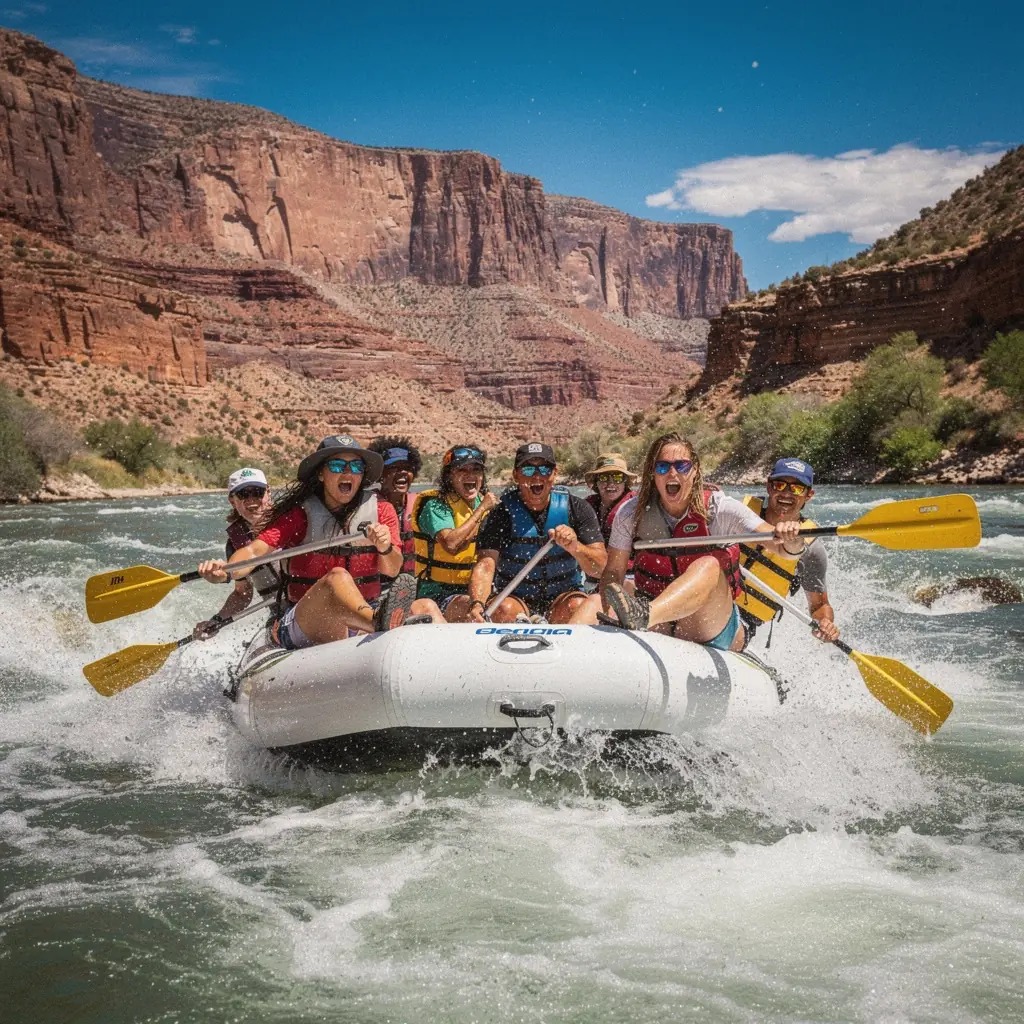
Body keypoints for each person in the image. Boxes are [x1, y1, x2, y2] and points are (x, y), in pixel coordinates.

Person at [197, 435, 438, 648]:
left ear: (363, 474)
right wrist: (225, 572)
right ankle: (380, 623)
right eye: (337, 465)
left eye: (356, 466)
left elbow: (393, 568)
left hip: (366, 607)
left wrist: (385, 547)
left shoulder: (382, 510)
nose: (347, 473)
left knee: (426, 606)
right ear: (321, 474)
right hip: (303, 618)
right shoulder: (299, 514)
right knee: (337, 578)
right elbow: (255, 550)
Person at [569, 433, 804, 651]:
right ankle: (563, 659)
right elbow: (613, 574)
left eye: (681, 466)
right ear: (653, 473)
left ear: (695, 471)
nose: (672, 474)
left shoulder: (719, 509)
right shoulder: (631, 513)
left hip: (709, 623)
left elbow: (783, 549)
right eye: (663, 467)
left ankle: (644, 615)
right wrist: (608, 612)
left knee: (708, 565)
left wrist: (791, 537)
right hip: (658, 619)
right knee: (595, 601)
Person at [467, 442, 607, 624]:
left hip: (562, 598)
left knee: (578, 605)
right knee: (504, 609)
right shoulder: (500, 514)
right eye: (527, 470)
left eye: (544, 469)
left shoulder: (578, 508)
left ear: (555, 473)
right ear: (515, 475)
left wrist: (575, 547)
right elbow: (486, 566)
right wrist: (477, 604)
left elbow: (601, 568)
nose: (536, 476)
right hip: (515, 598)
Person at [736, 458, 840, 643]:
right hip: (709, 598)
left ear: (809, 495)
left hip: (743, 622)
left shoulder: (811, 549)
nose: (786, 493)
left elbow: (819, 606)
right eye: (779, 485)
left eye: (797, 488)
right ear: (769, 486)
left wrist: (825, 623)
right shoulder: (740, 511)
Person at [411, 444, 499, 621]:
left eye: (476, 470)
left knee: (502, 607)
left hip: (476, 590)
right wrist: (482, 509)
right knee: (472, 605)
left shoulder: (488, 505)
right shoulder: (435, 506)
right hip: (437, 591)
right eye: (462, 470)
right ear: (449, 476)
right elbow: (451, 544)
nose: (470, 475)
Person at [193, 468, 276, 640]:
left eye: (257, 492)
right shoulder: (235, 543)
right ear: (232, 501)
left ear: (268, 493)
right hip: (280, 616)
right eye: (244, 494)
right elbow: (243, 593)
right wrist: (217, 620)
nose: (252, 500)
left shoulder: (292, 522)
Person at [368, 436, 421, 576]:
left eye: (407, 468)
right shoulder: (366, 507)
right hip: (379, 582)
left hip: (411, 581)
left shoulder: (421, 505)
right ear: (380, 474)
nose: (403, 472)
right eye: (394, 468)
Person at [583, 452, 637, 585]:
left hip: (628, 578)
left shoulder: (637, 506)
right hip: (594, 578)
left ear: (625, 482)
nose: (611, 483)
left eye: (618, 477)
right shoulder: (586, 506)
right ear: (596, 482)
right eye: (604, 477)